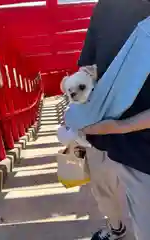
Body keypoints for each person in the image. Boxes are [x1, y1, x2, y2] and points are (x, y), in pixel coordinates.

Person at [79, 0, 150, 239]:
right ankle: (115, 226)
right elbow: (90, 64)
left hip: (141, 150)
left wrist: (123, 126)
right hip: (105, 133)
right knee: (103, 189)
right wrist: (80, 82)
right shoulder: (107, 6)